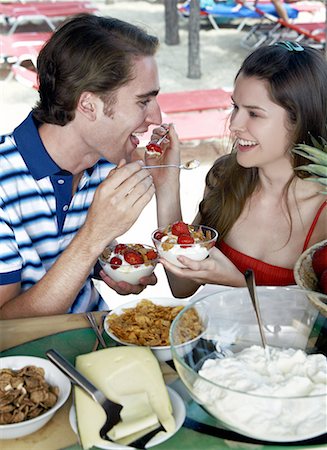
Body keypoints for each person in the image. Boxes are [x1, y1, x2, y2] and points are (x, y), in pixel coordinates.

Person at [0, 13, 173, 318]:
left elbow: (72, 253)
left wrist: (110, 265)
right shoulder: (4, 182)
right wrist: (95, 235)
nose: (157, 117)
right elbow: (6, 328)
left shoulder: (106, 160)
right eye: (143, 101)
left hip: (94, 335)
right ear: (88, 105)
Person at [153, 41, 327, 298]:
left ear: (300, 120)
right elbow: (182, 287)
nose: (234, 124)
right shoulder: (224, 177)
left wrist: (238, 284)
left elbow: (314, 331)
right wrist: (167, 186)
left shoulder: (322, 212)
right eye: (235, 107)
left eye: (254, 114)